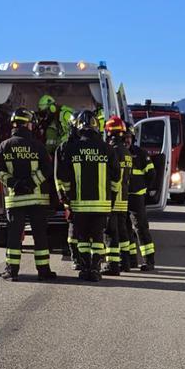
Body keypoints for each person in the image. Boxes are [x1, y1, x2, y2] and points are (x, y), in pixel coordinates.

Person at [56, 109, 122, 282]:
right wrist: (112, 197)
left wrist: (68, 198)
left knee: (83, 239)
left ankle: (85, 269)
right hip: (102, 205)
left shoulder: (71, 149)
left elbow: (63, 177)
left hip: (79, 205)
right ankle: (95, 270)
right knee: (98, 238)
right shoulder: (107, 149)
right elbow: (117, 177)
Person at [0, 108, 56, 281]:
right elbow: (48, 169)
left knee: (14, 236)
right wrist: (32, 183)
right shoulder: (38, 146)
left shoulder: (4, 146)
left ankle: (12, 271)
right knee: (40, 235)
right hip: (37, 200)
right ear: (28, 124)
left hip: (15, 199)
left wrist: (14, 184)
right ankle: (44, 271)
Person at [103, 114, 132, 276]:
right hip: (124, 198)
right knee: (122, 231)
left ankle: (112, 265)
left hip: (113, 198)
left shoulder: (111, 151)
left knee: (110, 232)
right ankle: (125, 262)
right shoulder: (127, 152)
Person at [126, 128, 157, 270]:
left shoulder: (140, 153)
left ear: (133, 138)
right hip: (120, 197)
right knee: (125, 229)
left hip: (136, 196)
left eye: (129, 137)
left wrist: (143, 189)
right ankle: (131, 260)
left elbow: (151, 174)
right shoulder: (115, 152)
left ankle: (149, 261)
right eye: (124, 137)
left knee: (141, 228)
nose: (126, 140)